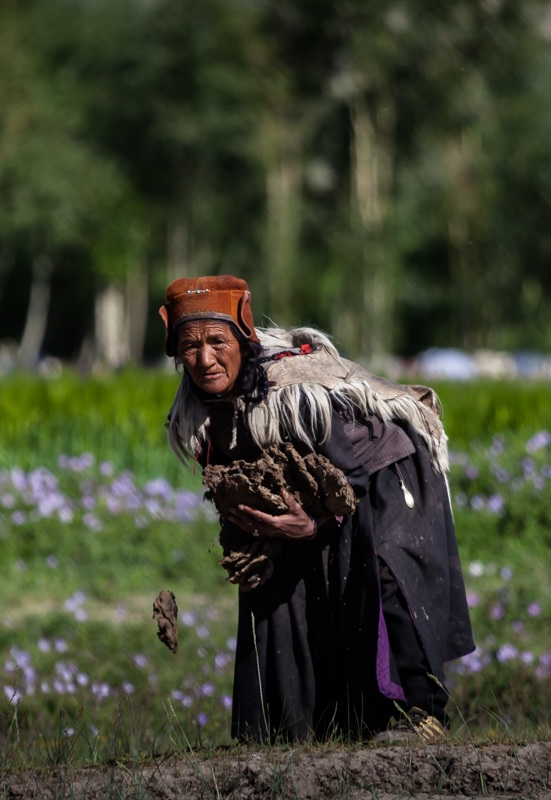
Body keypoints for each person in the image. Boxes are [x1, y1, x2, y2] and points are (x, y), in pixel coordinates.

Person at [160, 274, 475, 743]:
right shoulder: (199, 409)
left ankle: (422, 717)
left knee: (386, 575)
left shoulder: (292, 393)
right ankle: (287, 732)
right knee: (268, 580)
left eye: (216, 342)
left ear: (242, 338)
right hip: (319, 495)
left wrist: (309, 524)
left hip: (386, 471)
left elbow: (352, 479)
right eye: (190, 347)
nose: (205, 359)